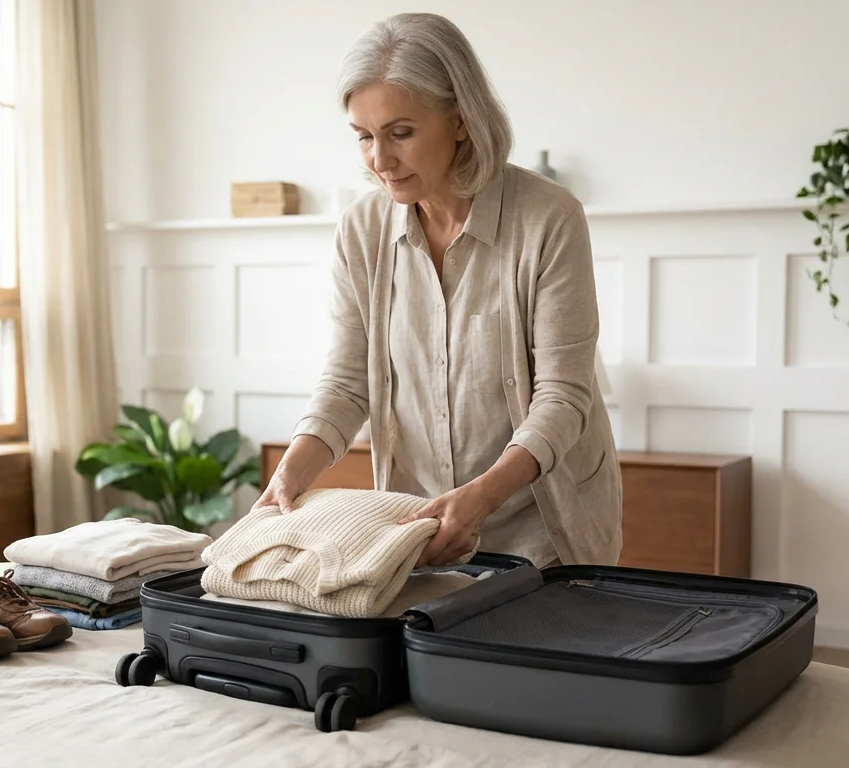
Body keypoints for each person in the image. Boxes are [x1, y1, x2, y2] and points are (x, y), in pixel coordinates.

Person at [254, 12, 622, 570]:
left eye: (401, 132)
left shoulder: (549, 217)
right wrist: (292, 470)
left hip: (543, 530)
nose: (380, 160)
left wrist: (480, 497)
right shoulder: (361, 230)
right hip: (416, 529)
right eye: (364, 137)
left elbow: (564, 397)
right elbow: (349, 381)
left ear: (460, 120)